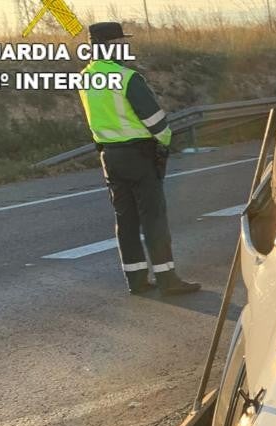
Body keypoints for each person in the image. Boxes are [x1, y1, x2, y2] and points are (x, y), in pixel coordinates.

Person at [77, 22, 200, 296]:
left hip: (108, 156)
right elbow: (156, 122)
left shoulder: (85, 78)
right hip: (139, 155)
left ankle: (136, 279)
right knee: (154, 218)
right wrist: (165, 143)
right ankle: (168, 279)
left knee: (126, 220)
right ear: (109, 46)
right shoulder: (127, 78)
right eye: (121, 42)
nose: (125, 47)